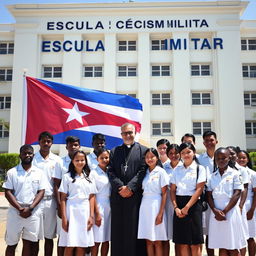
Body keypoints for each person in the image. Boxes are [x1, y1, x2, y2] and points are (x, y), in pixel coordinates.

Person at [108, 122, 148, 256]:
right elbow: (111, 171)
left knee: (134, 230)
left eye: (130, 132)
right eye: (125, 133)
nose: (128, 135)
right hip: (118, 198)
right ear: (121, 135)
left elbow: (143, 170)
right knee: (119, 231)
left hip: (135, 197)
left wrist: (130, 187)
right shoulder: (114, 151)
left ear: (135, 133)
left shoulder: (143, 150)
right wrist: (121, 187)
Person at [3, 144, 45, 256]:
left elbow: (41, 192)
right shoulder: (12, 172)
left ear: (33, 155)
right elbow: (8, 192)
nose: (27, 155)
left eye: (30, 153)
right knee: (11, 244)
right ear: (20, 156)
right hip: (16, 212)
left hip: (33, 212)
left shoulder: (39, 172)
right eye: (24, 153)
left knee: (30, 243)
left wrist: (30, 208)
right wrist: (20, 208)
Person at [207, 147, 247, 256]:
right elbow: (208, 195)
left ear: (229, 158)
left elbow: (237, 193)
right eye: (218, 158)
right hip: (215, 214)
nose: (221, 160)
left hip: (231, 212)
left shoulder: (235, 174)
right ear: (215, 160)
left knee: (233, 246)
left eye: (224, 158)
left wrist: (224, 211)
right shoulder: (211, 176)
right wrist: (215, 211)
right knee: (222, 246)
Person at [170, 142, 206, 256]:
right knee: (183, 242)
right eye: (183, 153)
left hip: (194, 205)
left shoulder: (200, 169)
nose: (186, 155)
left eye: (188, 152)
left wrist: (187, 207)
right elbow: (172, 190)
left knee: (195, 242)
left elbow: (199, 189)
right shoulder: (177, 170)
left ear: (194, 153)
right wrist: (176, 207)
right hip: (179, 205)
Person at [59, 150, 96, 256]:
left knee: (82, 244)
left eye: (82, 160)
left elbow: (91, 197)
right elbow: (63, 198)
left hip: (85, 212)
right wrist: (64, 218)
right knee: (70, 244)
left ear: (86, 161)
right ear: (72, 161)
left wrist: (91, 216)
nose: (80, 162)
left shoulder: (89, 176)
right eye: (77, 160)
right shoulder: (67, 177)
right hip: (71, 212)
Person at [33, 131, 61, 256]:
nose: (46, 143)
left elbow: (58, 183)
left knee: (49, 237)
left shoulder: (57, 160)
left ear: (52, 143)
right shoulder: (32, 159)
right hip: (35, 202)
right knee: (34, 236)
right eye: (43, 141)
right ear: (39, 142)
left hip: (50, 202)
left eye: (48, 141)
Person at [52, 136, 81, 256]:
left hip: (79, 205)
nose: (73, 147)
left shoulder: (83, 160)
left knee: (78, 235)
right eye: (71, 145)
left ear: (79, 146)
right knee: (63, 235)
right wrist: (59, 206)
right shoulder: (60, 162)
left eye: (75, 145)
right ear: (66, 147)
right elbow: (56, 185)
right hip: (64, 204)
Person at [138, 148, 169, 256]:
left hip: (156, 206)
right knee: (148, 240)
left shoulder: (161, 172)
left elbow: (165, 193)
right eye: (147, 157)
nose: (149, 159)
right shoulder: (144, 173)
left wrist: (160, 213)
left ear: (157, 157)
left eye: (152, 156)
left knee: (157, 241)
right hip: (145, 206)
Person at [198, 131, 218, 256]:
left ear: (216, 141)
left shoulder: (223, 155)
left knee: (223, 231)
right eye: (207, 141)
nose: (209, 143)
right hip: (207, 200)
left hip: (222, 199)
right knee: (209, 232)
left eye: (211, 140)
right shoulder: (200, 159)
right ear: (204, 143)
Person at [227, 146, 249, 256]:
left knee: (241, 236)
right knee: (230, 237)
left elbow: (244, 189)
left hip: (238, 207)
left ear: (237, 155)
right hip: (228, 208)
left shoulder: (242, 170)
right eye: (228, 154)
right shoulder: (222, 169)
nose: (230, 156)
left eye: (233, 154)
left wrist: (240, 206)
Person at [90, 148, 111, 256]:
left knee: (106, 239)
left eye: (106, 157)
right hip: (98, 205)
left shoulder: (110, 171)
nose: (104, 160)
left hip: (109, 207)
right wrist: (96, 213)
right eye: (101, 158)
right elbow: (92, 194)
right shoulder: (93, 173)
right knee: (96, 240)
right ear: (97, 159)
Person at [164, 144, 182, 255]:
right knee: (165, 236)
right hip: (166, 204)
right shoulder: (163, 167)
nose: (173, 155)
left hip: (179, 204)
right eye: (171, 153)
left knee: (179, 237)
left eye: (176, 153)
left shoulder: (184, 166)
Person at [237, 150, 256, 256]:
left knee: (250, 236)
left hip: (249, 207)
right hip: (237, 206)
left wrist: (252, 210)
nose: (241, 160)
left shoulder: (253, 174)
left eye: (243, 158)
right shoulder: (234, 172)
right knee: (239, 236)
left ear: (247, 159)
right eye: (239, 157)